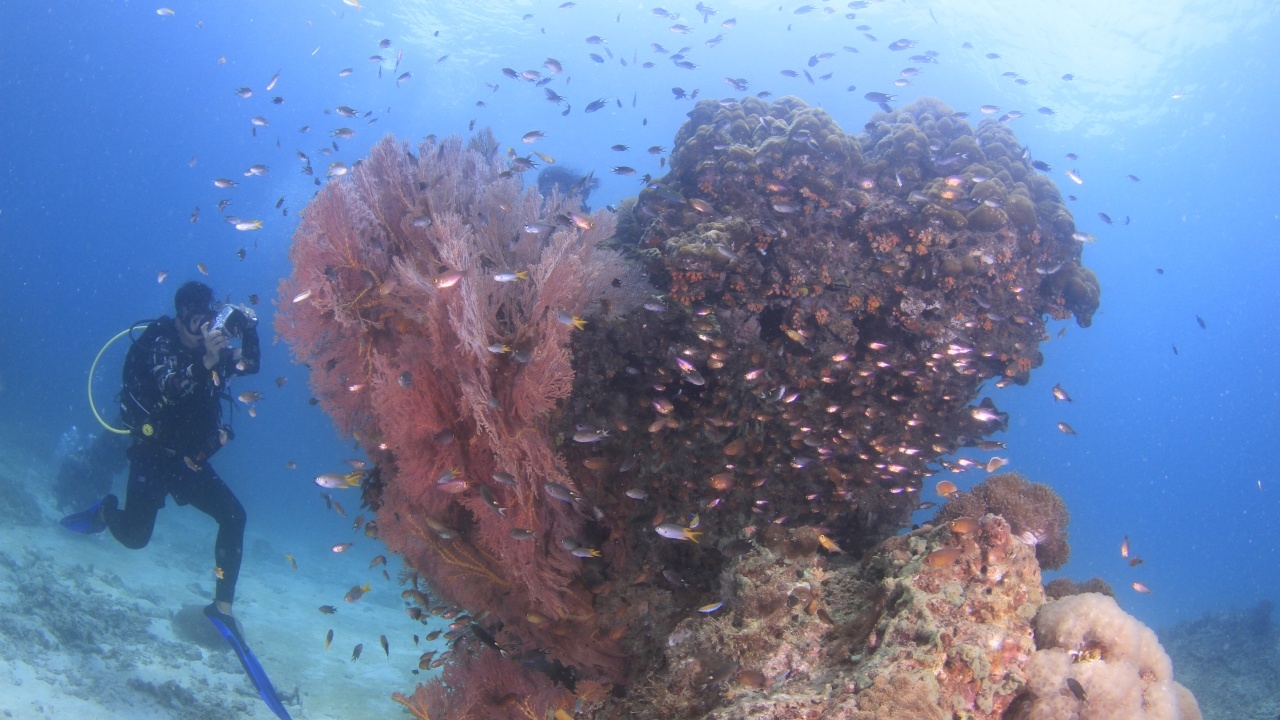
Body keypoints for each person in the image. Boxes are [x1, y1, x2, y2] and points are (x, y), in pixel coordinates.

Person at [60, 281, 260, 628]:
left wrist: (250, 330)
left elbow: (250, 365)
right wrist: (207, 361)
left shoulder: (211, 350)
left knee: (234, 517)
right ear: (181, 318)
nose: (203, 330)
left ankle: (222, 608)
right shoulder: (159, 344)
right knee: (136, 538)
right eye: (196, 321)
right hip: (151, 454)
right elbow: (171, 385)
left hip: (189, 459)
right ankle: (105, 512)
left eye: (208, 320)